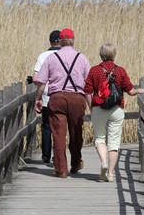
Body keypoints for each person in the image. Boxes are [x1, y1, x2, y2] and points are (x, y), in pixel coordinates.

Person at [84, 43, 144, 182]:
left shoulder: (94, 70)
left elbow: (87, 91)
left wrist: (91, 106)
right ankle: (111, 173)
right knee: (114, 143)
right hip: (116, 109)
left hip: (99, 108)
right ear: (114, 54)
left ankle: (103, 163)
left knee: (99, 138)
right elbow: (130, 90)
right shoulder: (120, 71)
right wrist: (138, 91)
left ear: (101, 54)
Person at [35, 28, 91, 178]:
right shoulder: (82, 58)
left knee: (58, 135)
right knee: (76, 132)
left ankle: (61, 169)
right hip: (77, 99)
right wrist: (91, 104)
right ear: (73, 41)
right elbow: (89, 86)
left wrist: (38, 99)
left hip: (57, 98)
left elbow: (41, 82)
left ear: (60, 41)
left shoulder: (51, 58)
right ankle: (76, 163)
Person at [32, 30, 61, 163]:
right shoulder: (66, 55)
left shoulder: (42, 56)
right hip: (61, 96)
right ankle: (58, 155)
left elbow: (36, 78)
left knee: (47, 127)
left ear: (50, 41)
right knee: (59, 127)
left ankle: (45, 156)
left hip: (46, 97)